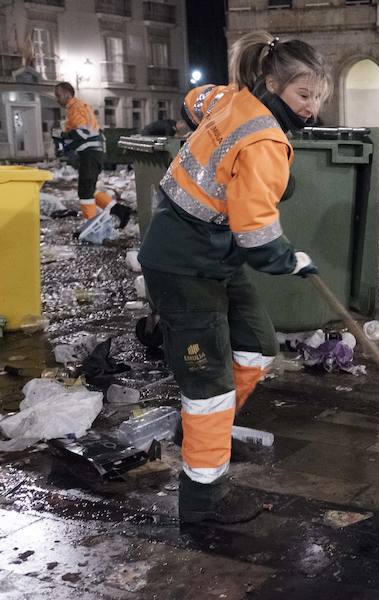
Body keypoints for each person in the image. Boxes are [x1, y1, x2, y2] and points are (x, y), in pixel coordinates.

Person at [137, 31, 329, 525]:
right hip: (182, 263)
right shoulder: (264, 140)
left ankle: (205, 432)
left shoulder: (230, 98)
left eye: (318, 97)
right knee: (210, 387)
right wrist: (293, 262)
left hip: (214, 255)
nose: (311, 108)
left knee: (258, 348)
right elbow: (258, 239)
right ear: (272, 83)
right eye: (303, 95)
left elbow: (192, 100)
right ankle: (203, 498)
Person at [54, 82, 131, 227]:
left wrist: (62, 135)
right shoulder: (78, 107)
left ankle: (90, 224)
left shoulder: (75, 108)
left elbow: (82, 133)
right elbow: (82, 135)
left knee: (85, 192)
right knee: (88, 188)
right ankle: (120, 210)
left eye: (58, 95)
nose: (56, 99)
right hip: (92, 153)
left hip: (90, 153)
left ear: (67, 94)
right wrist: (66, 144)